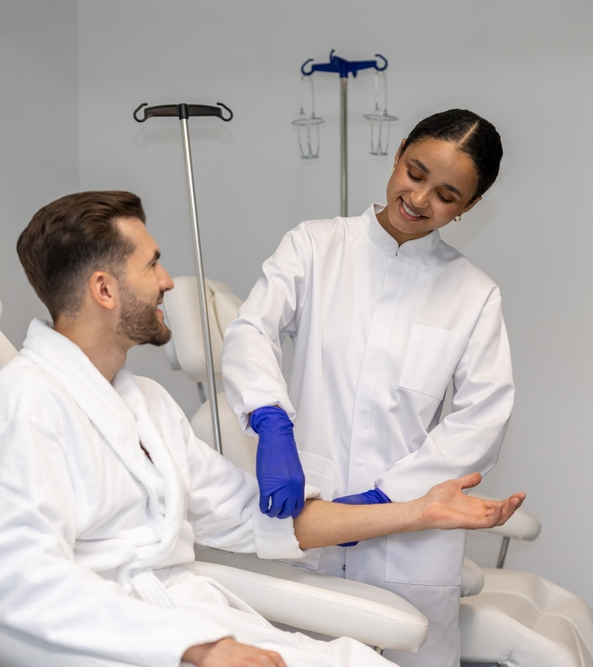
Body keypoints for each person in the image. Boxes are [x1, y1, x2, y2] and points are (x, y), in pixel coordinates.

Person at [0, 190, 524, 667]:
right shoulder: (22, 404)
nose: (167, 282)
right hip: (125, 642)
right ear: (105, 290)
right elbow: (24, 583)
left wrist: (417, 510)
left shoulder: (145, 403)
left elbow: (250, 517)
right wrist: (199, 647)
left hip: (183, 619)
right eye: (152, 265)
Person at [221, 109, 513, 667]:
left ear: (470, 207)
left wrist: (389, 498)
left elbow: (484, 416)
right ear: (399, 152)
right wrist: (270, 421)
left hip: (410, 541)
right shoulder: (315, 246)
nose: (419, 198)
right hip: (312, 514)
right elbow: (251, 330)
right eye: (415, 172)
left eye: (447, 195)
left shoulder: (474, 294)